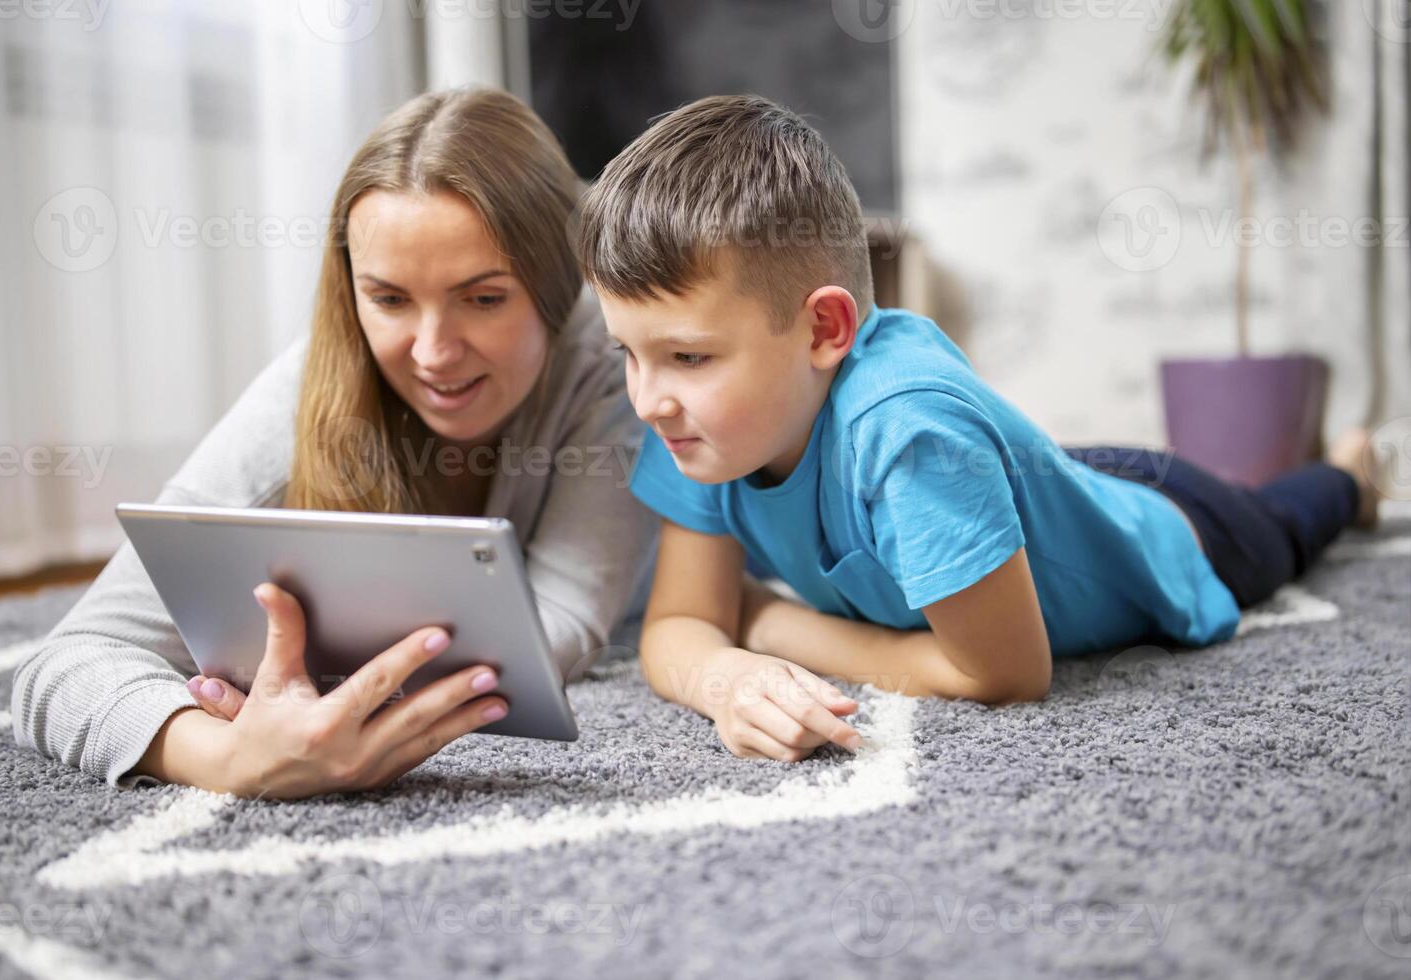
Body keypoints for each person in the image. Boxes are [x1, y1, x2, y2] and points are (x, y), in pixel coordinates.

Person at [574, 94, 1386, 763]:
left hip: (1175, 523)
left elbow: (1001, 674)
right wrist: (721, 675)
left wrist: (772, 624)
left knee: (1283, 520)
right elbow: (681, 624)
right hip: (1030, 483)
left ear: (824, 330)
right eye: (628, 356)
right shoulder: (698, 424)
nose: (648, 399)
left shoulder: (909, 431)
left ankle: (1351, 473)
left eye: (686, 355)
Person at [12, 88, 658, 798]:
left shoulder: (620, 353)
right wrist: (229, 758)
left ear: (560, 288)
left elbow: (555, 628)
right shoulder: (301, 397)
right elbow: (64, 667)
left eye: (483, 299)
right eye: (388, 299)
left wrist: (338, 687)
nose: (435, 352)